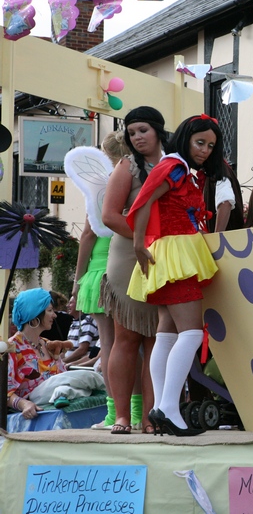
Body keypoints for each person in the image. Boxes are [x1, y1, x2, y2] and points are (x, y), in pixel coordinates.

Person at [127, 114, 222, 437]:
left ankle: (161, 406)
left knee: (166, 333)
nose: (206, 150)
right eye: (200, 143)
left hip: (171, 253)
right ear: (185, 138)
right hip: (176, 254)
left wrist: (144, 245)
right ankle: (167, 405)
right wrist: (139, 244)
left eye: (210, 145)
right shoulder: (175, 167)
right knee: (192, 333)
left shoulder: (178, 168)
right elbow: (142, 202)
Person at [101, 107, 166, 434]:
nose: (138, 137)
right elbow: (109, 215)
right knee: (126, 337)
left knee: (158, 337)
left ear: (157, 130)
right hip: (129, 254)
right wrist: (143, 237)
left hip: (166, 256)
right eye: (132, 132)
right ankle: (123, 417)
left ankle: (151, 418)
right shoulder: (127, 167)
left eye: (143, 130)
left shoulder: (174, 165)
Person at [74, 130, 128, 429]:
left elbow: (87, 234)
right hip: (127, 266)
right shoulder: (134, 179)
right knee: (134, 344)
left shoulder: (99, 185)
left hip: (99, 268)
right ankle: (134, 411)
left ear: (106, 155)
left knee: (109, 344)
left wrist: (77, 280)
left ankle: (112, 412)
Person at [6, 288, 104, 418]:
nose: (55, 315)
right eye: (50, 310)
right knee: (87, 377)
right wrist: (24, 404)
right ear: (34, 314)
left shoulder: (48, 345)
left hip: (52, 391)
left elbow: (62, 375)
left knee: (71, 386)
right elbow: (4, 390)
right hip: (34, 395)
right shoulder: (13, 347)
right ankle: (101, 384)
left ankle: (62, 393)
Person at [205, 159, 245, 232]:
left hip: (228, 239)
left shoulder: (218, 170)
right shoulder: (214, 170)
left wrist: (217, 237)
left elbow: (225, 202)